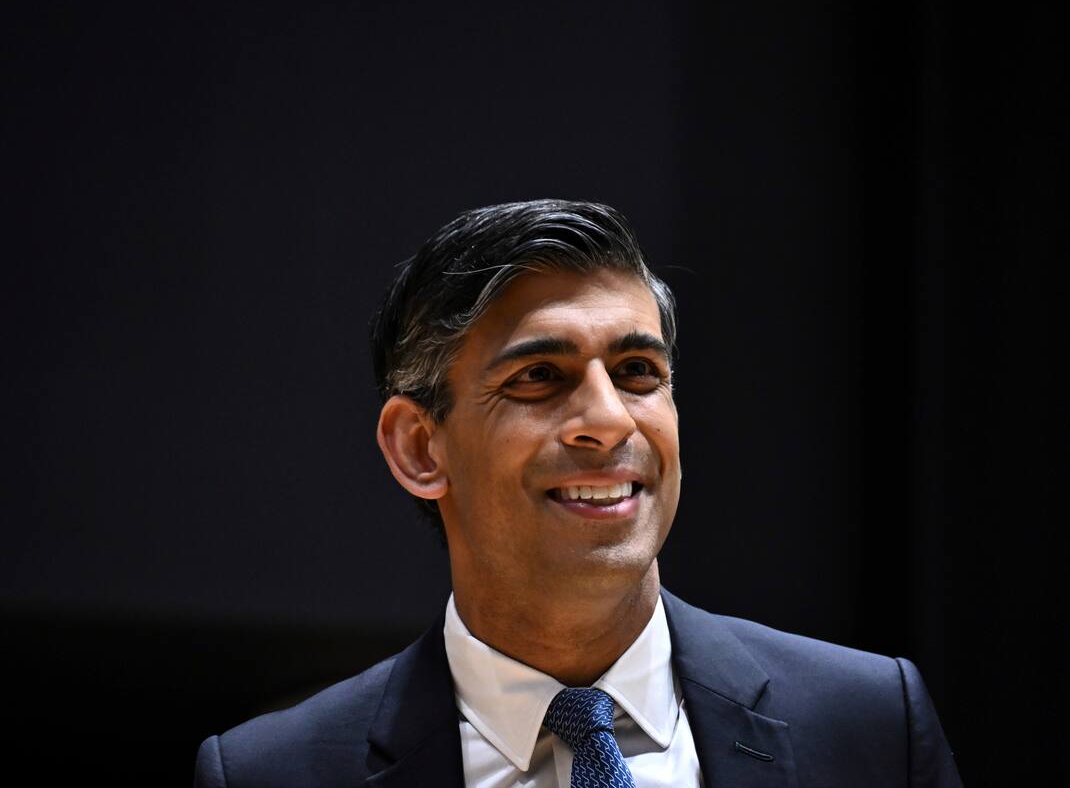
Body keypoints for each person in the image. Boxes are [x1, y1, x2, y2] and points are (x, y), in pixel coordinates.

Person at [194, 199, 962, 787]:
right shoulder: (272, 774)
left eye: (638, 373)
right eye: (539, 376)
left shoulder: (870, 725)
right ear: (420, 448)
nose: (609, 419)